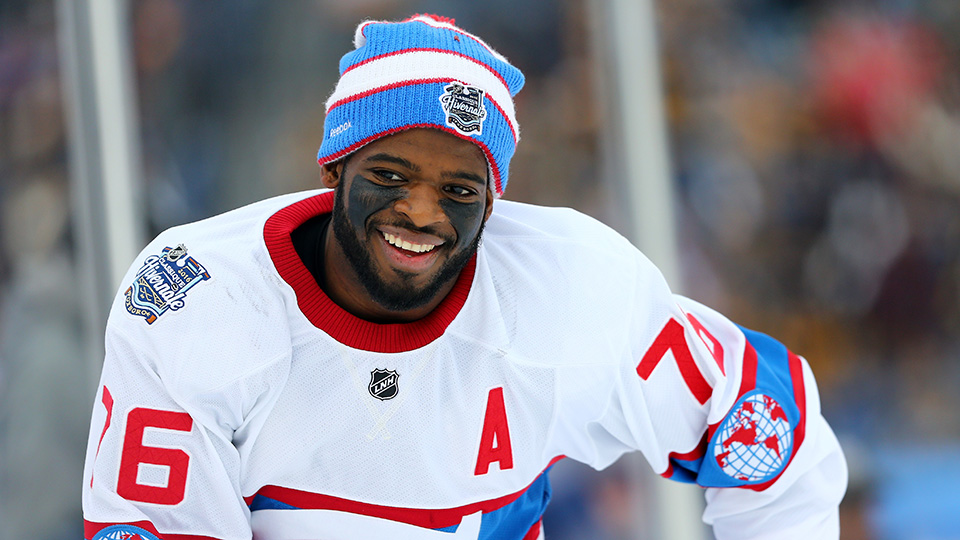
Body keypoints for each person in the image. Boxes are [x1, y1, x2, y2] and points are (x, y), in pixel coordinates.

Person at [81, 14, 847, 540]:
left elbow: (774, 437)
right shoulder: (194, 297)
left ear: (493, 201)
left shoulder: (571, 287)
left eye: (459, 190)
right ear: (333, 167)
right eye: (389, 172)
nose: (421, 212)